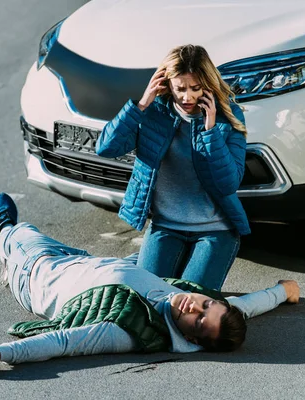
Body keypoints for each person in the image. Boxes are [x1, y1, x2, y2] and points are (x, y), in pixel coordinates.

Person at [0, 194, 299, 373]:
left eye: (198, 318)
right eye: (207, 304)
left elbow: (61, 342)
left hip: (37, 272)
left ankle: (4, 234)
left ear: (191, 339)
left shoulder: (126, 331)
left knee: (20, 232)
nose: (195, 305)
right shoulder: (202, 307)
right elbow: (244, 306)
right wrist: (282, 292)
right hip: (89, 260)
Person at [96, 44, 249, 291]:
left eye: (195, 88)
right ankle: (141, 265)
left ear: (208, 86)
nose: (187, 97)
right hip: (166, 226)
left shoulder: (229, 117)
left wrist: (210, 131)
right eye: (180, 88)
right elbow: (106, 148)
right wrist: (141, 105)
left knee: (187, 304)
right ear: (167, 84)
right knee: (146, 297)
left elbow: (229, 183)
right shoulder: (154, 112)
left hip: (215, 231)